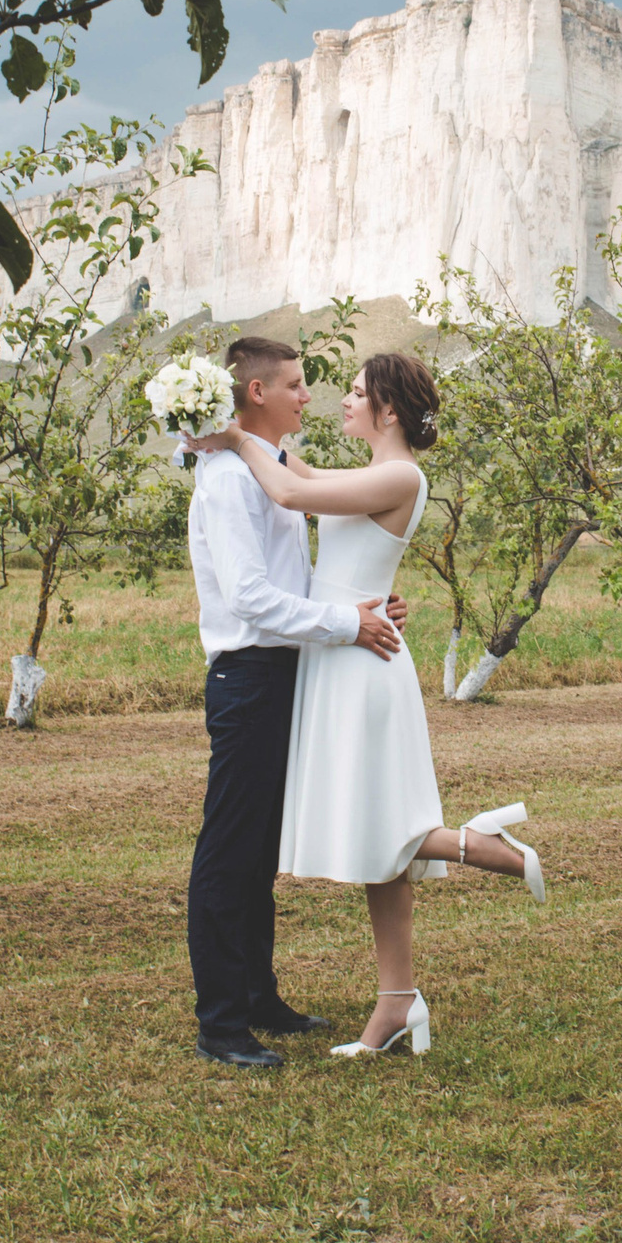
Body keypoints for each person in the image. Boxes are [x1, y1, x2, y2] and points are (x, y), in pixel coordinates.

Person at [195, 351, 545, 1059]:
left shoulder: (399, 472)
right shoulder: (366, 473)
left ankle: (478, 846)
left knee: (374, 818)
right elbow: (301, 480)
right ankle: (396, 998)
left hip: (358, 659)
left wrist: (234, 438)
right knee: (353, 824)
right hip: (342, 647)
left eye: (356, 392)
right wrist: (213, 436)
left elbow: (292, 494)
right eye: (309, 386)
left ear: (388, 410)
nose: (336, 399)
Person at [184, 336, 411, 1070]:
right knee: (228, 851)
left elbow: (298, 570)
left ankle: (259, 998)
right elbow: (251, 598)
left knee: (257, 853)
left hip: (286, 672)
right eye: (296, 384)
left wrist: (364, 603)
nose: (307, 397)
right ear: (257, 394)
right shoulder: (226, 479)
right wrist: (351, 624)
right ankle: (221, 1022)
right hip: (248, 675)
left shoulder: (265, 468)